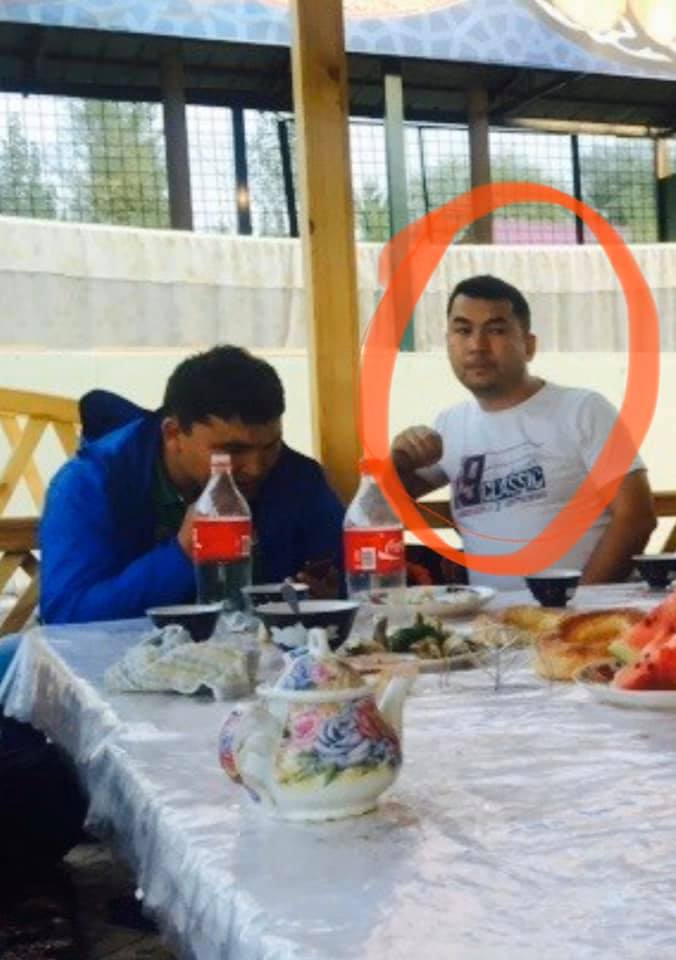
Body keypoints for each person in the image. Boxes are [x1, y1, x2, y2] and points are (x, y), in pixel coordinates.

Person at [40, 346, 345, 623]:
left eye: (270, 446)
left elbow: (352, 581)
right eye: (233, 450)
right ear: (173, 434)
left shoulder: (297, 477)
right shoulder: (88, 484)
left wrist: (332, 597)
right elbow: (66, 615)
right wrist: (182, 553)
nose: (255, 468)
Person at [392, 275, 656, 591]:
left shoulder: (582, 410)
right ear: (448, 342)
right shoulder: (450, 425)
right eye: (463, 331)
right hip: (488, 618)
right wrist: (399, 458)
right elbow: (381, 503)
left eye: (496, 330)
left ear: (529, 346)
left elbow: (636, 517)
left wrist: (576, 604)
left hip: (583, 616)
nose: (477, 345)